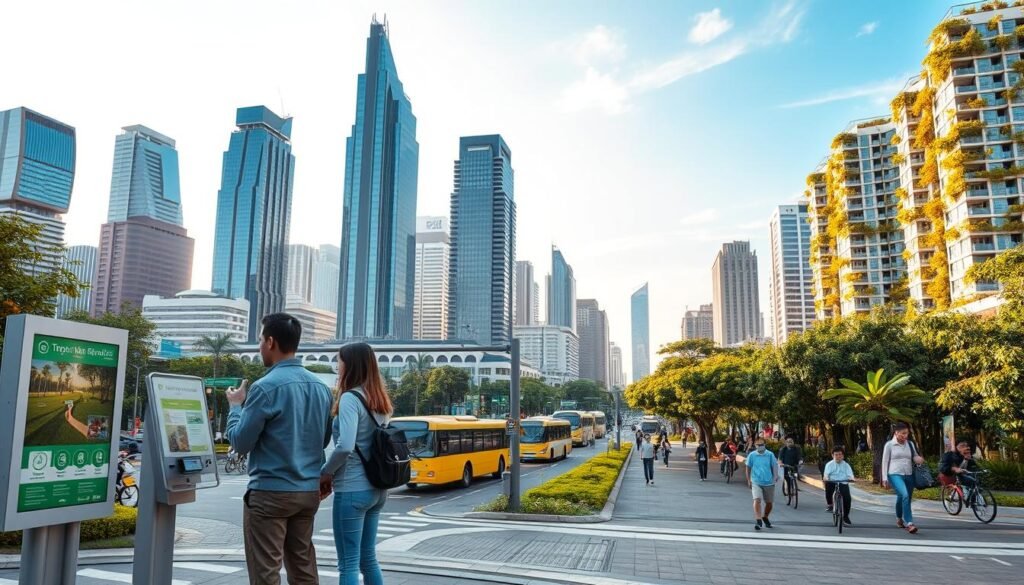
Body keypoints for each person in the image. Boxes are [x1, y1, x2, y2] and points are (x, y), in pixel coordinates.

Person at [226, 314, 334, 585]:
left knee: (266, 571)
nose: (259, 346)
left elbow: (240, 442)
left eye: (261, 340)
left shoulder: (264, 388)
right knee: (303, 568)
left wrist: (236, 407)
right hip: (307, 491)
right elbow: (322, 440)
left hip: (270, 494)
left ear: (271, 342)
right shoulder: (322, 388)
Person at [320, 342, 395, 585]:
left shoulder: (351, 398)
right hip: (376, 489)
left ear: (350, 365)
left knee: (348, 564)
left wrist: (325, 473)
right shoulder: (379, 400)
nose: (337, 366)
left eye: (339, 361)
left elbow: (345, 445)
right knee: (368, 559)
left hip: (352, 489)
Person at [881, 422, 925, 534]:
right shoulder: (889, 445)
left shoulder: (910, 444)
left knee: (904, 497)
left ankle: (899, 518)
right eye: (903, 433)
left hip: (909, 474)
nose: (905, 435)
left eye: (907, 433)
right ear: (896, 433)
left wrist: (918, 459)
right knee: (904, 495)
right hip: (894, 474)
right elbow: (885, 462)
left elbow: (914, 456)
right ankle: (909, 523)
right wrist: (885, 478)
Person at [745, 439, 779, 531]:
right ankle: (758, 520)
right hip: (756, 481)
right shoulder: (752, 455)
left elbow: (774, 466)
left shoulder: (770, 455)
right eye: (758, 445)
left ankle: (765, 516)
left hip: (769, 482)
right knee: (757, 500)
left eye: (762, 445)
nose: (760, 446)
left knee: (769, 503)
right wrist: (748, 480)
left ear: (765, 445)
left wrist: (775, 476)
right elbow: (748, 467)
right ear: (755, 446)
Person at [823, 446, 855, 525]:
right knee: (828, 485)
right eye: (836, 455)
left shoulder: (846, 465)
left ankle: (845, 516)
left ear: (843, 456)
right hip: (832, 482)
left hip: (843, 482)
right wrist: (826, 478)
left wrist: (852, 478)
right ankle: (830, 504)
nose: (838, 456)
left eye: (840, 455)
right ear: (832, 455)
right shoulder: (829, 465)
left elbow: (850, 475)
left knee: (847, 499)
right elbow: (826, 474)